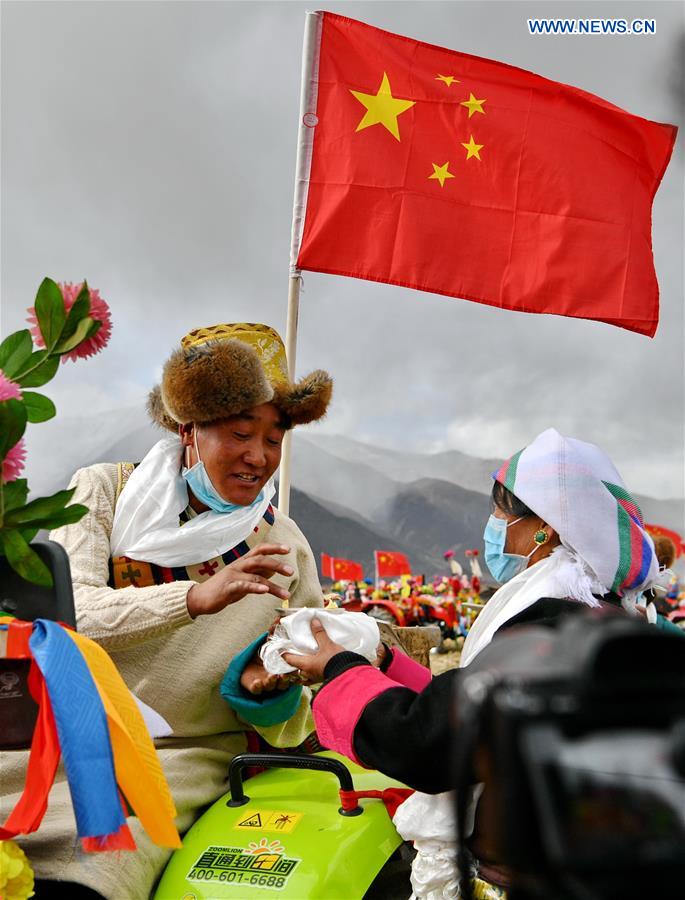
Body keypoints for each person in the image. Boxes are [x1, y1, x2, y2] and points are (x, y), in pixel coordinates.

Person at [0, 322, 332, 899]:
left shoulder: (287, 543)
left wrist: (268, 691)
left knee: (86, 871)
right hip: (59, 737)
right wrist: (190, 598)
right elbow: (68, 618)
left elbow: (307, 702)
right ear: (188, 429)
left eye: (274, 439)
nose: (258, 456)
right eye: (238, 432)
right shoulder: (103, 491)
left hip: (179, 756)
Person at [285, 427, 661, 790]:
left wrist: (341, 669)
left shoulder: (552, 625)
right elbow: (474, 701)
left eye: (500, 511)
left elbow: (430, 742)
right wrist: (385, 664)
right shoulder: (596, 611)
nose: (494, 525)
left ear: (544, 525)